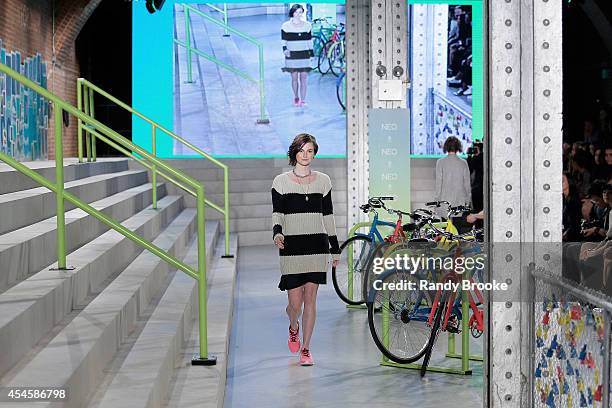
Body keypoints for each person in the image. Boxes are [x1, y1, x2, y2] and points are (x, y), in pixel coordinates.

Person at [271, 133, 340, 366]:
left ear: (314, 153)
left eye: (310, 151)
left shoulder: (324, 181)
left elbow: (328, 216)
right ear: (294, 153)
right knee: (295, 304)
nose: (306, 155)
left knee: (310, 299)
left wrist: (335, 248)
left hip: (316, 246)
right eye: (302, 151)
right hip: (292, 247)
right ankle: (293, 326)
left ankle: (307, 348)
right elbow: (277, 213)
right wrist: (277, 232)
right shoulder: (280, 181)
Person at [281, 4, 314, 107]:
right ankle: (296, 97)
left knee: (303, 78)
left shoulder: (307, 25)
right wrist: (285, 50)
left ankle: (303, 100)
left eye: (300, 12)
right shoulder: (285, 26)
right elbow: (283, 41)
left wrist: (311, 54)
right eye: (296, 12)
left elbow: (309, 40)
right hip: (292, 55)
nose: (298, 14)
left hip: (304, 55)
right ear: (292, 13)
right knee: (294, 78)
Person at [435, 136, 472, 223]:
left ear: (446, 147)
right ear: (458, 147)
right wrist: (468, 200)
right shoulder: (463, 163)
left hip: (444, 201)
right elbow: (467, 183)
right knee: (457, 230)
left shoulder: (440, 162)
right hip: (459, 201)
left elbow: (438, 184)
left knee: (445, 231)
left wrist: (436, 202)